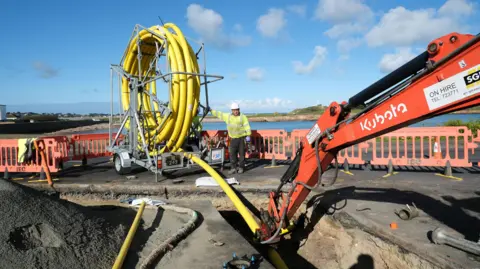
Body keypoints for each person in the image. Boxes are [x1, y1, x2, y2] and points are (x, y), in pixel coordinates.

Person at [210, 102, 251, 174]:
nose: (236, 111)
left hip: (241, 138)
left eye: (237, 110)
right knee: (232, 154)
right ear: (231, 110)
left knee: (241, 154)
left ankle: (241, 168)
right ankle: (233, 168)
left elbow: (247, 126)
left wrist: (248, 135)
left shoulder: (242, 117)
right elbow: (219, 114)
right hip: (233, 139)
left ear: (239, 109)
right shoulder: (228, 116)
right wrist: (211, 110)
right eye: (234, 110)